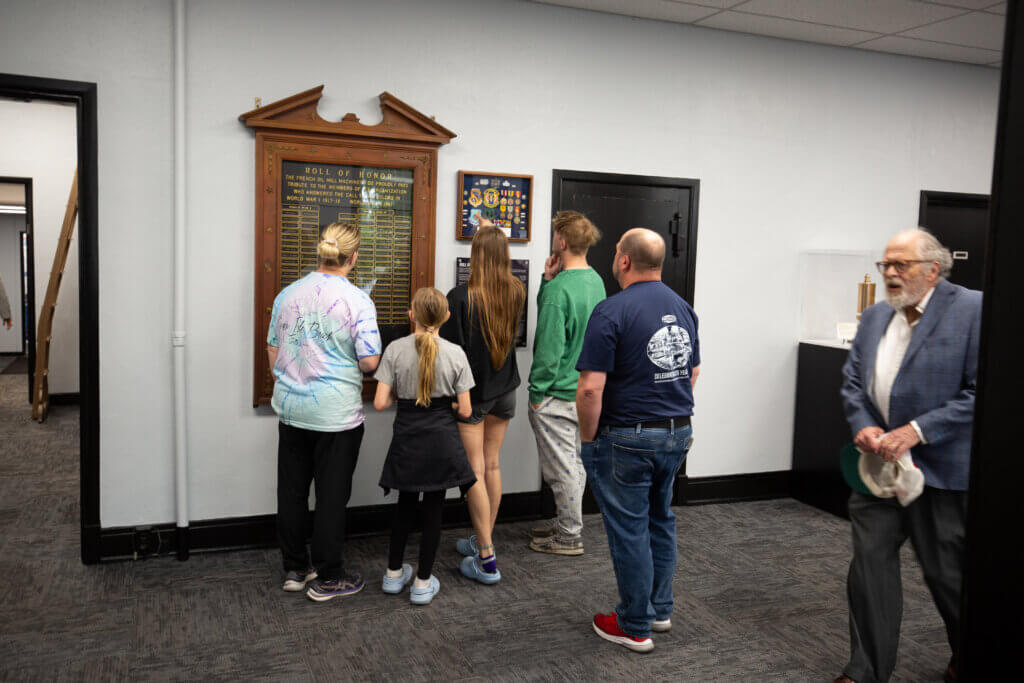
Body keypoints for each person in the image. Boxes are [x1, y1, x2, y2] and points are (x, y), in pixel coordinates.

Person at [835, 228, 980, 683]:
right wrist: (863, 424)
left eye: (902, 265)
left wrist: (916, 431)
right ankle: (865, 671)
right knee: (869, 571)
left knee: (948, 578)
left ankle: (968, 656)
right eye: (886, 265)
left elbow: (981, 391)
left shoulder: (974, 310)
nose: (891, 274)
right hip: (879, 471)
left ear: (933, 270)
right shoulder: (877, 315)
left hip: (940, 472)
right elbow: (853, 383)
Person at [576, 228, 700, 653]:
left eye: (615, 251)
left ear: (625, 261)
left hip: (625, 437)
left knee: (629, 529)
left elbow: (591, 388)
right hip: (676, 432)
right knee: (659, 518)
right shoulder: (683, 308)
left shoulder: (611, 311)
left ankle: (633, 624)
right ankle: (659, 609)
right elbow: (693, 371)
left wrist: (589, 439)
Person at [266, 222, 381, 602]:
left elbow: (273, 349)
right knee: (332, 496)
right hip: (336, 417)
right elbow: (368, 362)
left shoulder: (287, 295)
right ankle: (329, 576)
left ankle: (295, 569)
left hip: (292, 409)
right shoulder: (358, 301)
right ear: (353, 257)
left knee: (292, 491)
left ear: (320, 252)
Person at [373, 287, 476, 605]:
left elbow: (379, 403)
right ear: (446, 317)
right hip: (442, 440)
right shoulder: (456, 353)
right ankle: (422, 582)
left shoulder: (395, 350)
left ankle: (392, 575)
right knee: (434, 510)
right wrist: (453, 409)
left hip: (408, 438)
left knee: (405, 506)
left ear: (411, 315)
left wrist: (396, 396)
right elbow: (467, 410)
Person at [440, 220, 525, 584]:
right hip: (505, 390)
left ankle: (487, 558)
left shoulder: (459, 298)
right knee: (492, 465)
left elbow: (449, 353)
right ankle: (482, 539)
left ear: (475, 255)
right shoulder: (516, 290)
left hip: (472, 394)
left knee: (474, 469)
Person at [527, 211, 605, 556]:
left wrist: (536, 393)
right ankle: (566, 524)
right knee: (573, 462)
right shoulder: (596, 281)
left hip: (557, 394)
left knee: (562, 470)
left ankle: (570, 535)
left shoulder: (560, 291)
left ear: (561, 242)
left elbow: (549, 348)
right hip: (584, 390)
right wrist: (547, 280)